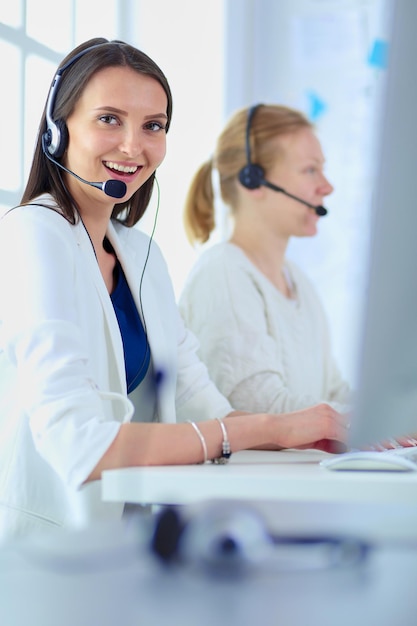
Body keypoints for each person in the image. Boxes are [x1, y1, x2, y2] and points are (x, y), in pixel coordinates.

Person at [0, 41, 348, 541]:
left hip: (125, 546)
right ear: (58, 129)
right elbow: (79, 444)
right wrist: (269, 429)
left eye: (153, 126)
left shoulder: (141, 255)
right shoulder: (33, 233)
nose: (132, 147)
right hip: (37, 551)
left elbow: (206, 409)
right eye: (108, 119)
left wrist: (327, 429)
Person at [179, 103, 351, 416]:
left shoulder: (299, 281)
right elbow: (262, 408)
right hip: (255, 467)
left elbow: (335, 390)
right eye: (311, 169)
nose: (327, 187)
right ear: (253, 180)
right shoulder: (224, 274)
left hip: (304, 467)